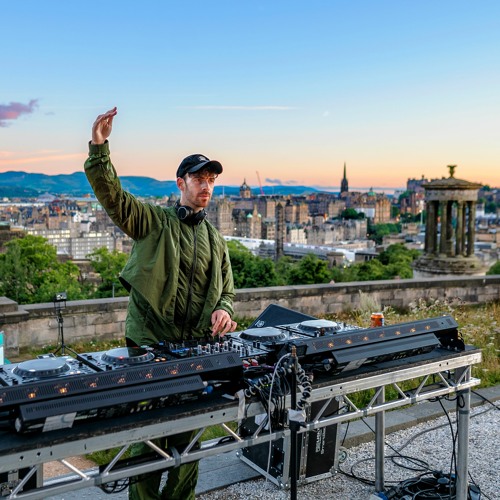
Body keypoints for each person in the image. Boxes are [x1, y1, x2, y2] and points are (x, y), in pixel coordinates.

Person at [84, 107, 237, 500]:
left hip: (194, 349)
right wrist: (100, 148)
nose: (207, 185)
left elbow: (228, 292)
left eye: (212, 179)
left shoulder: (216, 241)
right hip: (151, 343)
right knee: (147, 438)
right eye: (199, 178)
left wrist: (225, 310)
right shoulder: (155, 222)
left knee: (190, 439)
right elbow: (115, 200)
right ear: (181, 183)